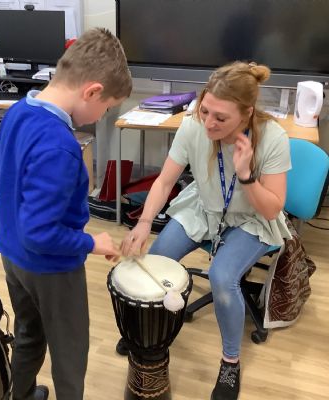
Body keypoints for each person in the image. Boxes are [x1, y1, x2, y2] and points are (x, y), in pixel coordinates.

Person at [118, 61, 291, 400]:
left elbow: (272, 208)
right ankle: (148, 337)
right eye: (205, 110)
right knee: (158, 258)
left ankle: (231, 362)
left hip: (251, 218)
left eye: (221, 118)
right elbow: (165, 181)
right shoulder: (193, 126)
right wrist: (143, 222)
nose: (209, 122)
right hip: (205, 207)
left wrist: (246, 176)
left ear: (246, 114)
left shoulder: (273, 138)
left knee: (222, 278)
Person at [0, 28, 132, 400]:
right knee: (69, 352)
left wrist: (19, 212)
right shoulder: (61, 146)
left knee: (29, 334)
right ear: (92, 91)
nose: (103, 115)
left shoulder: (18, 112)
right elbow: (40, 234)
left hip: (12, 257)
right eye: (107, 108)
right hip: (51, 268)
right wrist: (92, 243)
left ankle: (19, 394)